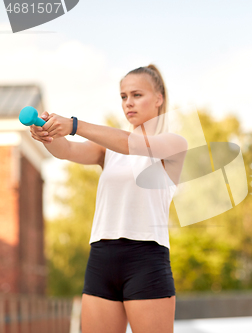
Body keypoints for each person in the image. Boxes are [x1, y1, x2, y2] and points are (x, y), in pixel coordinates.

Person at [30, 64, 188, 333]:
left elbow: (131, 144)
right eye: (124, 96)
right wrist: (46, 134)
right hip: (102, 258)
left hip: (146, 260)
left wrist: (74, 124)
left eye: (137, 95)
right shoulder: (108, 149)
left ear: (159, 98)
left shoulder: (173, 144)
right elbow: (66, 150)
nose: (129, 103)